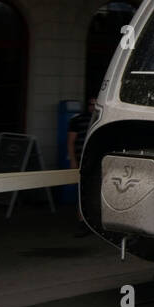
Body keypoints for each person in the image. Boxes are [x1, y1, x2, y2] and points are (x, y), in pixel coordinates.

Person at [67, 97, 97, 237]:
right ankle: (82, 222)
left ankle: (94, 222)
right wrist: (73, 160)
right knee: (82, 190)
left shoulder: (99, 120)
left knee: (94, 189)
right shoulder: (78, 120)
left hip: (96, 159)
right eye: (91, 104)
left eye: (95, 104)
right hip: (81, 159)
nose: (93, 107)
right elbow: (71, 142)